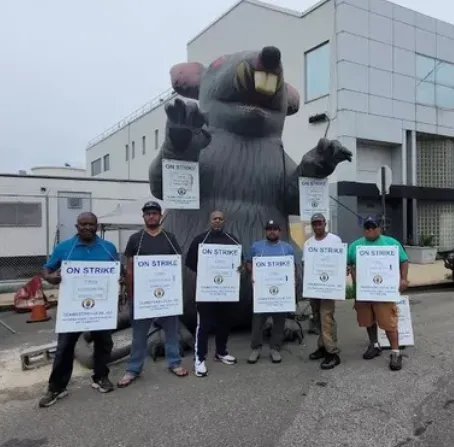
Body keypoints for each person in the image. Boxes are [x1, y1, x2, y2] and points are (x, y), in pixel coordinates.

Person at [38, 212, 119, 408]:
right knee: (65, 347)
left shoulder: (108, 248)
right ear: (77, 226)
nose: (87, 227)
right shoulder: (64, 248)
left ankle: (100, 377)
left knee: (104, 343)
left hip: (100, 308)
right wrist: (50, 278)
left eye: (91, 224)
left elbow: (118, 270)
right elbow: (46, 270)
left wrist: (120, 278)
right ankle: (57, 387)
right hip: (72, 309)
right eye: (83, 224)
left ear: (97, 226)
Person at [117, 200, 188, 387]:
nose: (151, 216)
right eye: (148, 213)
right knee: (139, 335)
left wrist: (175, 292)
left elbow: (176, 264)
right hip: (142, 296)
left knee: (171, 332)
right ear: (143, 217)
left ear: (160, 216)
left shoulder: (169, 238)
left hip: (166, 295)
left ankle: (174, 363)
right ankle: (133, 369)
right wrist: (131, 293)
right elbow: (129, 267)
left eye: (154, 213)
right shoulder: (135, 239)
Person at [347, 216, 409, 371]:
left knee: (388, 322)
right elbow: (348, 263)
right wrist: (348, 270)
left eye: (373, 227)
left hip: (384, 292)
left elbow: (404, 260)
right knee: (368, 321)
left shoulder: (391, 243)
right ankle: (374, 344)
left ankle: (395, 352)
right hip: (363, 292)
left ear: (379, 228)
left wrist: (403, 279)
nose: (370, 230)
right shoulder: (355, 246)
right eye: (367, 227)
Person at [185, 210, 242, 377]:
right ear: (210, 221)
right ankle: (199, 359)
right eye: (214, 218)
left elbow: (239, 262)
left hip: (226, 291)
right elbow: (191, 263)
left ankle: (221, 352)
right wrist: (206, 274)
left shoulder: (232, 240)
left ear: (224, 221)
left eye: (220, 219)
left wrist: (238, 267)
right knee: (204, 325)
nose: (217, 221)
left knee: (224, 322)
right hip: (207, 291)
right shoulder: (200, 240)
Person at [246, 220, 295, 364]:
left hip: (281, 291)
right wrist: (253, 273)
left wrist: (292, 282)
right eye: (269, 229)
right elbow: (248, 263)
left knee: (279, 322)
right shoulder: (256, 247)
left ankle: (275, 348)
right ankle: (256, 348)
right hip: (262, 291)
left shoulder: (287, 248)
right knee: (257, 321)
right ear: (266, 231)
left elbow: (293, 267)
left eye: (275, 229)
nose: (272, 231)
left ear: (280, 231)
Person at [303, 213, 342, 370]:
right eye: (315, 224)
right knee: (317, 318)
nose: (317, 226)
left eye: (320, 223)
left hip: (329, 287)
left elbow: (340, 261)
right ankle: (322, 346)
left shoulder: (335, 240)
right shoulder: (308, 243)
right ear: (312, 226)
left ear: (325, 223)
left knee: (326, 318)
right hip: (314, 287)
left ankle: (332, 353)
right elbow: (306, 265)